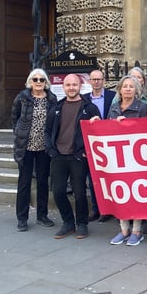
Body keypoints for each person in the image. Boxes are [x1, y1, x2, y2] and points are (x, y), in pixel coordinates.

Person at [92, 75, 147, 246]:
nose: (128, 89)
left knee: (137, 192)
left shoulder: (143, 107)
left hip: (136, 156)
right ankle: (124, 229)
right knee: (121, 192)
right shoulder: (114, 107)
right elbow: (108, 129)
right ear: (120, 90)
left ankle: (137, 230)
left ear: (136, 90)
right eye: (125, 86)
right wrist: (98, 123)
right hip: (118, 156)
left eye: (131, 87)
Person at [45, 73, 101, 240]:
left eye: (74, 85)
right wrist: (51, 150)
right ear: (64, 87)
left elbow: (97, 132)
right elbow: (47, 131)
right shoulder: (56, 108)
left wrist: (86, 151)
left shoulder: (89, 107)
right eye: (68, 85)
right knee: (58, 192)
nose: (71, 88)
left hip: (78, 157)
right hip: (58, 156)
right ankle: (68, 222)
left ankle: (82, 223)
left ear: (80, 86)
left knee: (79, 193)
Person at [12, 68, 58, 231]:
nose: (38, 82)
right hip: (26, 147)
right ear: (30, 82)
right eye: (35, 79)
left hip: (44, 147)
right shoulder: (22, 98)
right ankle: (22, 218)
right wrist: (19, 135)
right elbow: (15, 118)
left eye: (42, 80)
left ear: (46, 83)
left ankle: (42, 215)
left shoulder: (52, 99)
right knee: (24, 183)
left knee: (43, 182)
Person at [83, 69, 116, 223]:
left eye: (99, 79)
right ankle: (97, 209)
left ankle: (111, 208)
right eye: (93, 79)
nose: (96, 82)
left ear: (104, 81)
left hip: (110, 143)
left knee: (110, 177)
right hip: (92, 143)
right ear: (89, 81)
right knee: (94, 178)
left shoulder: (112, 96)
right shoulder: (83, 99)